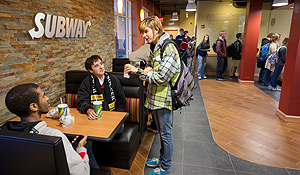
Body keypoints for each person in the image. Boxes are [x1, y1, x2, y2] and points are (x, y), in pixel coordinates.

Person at [124, 16, 180, 175]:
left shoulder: (169, 48)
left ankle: (165, 167)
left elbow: (162, 77)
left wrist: (139, 71)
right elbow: (153, 66)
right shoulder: (156, 46)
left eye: (146, 31)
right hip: (156, 98)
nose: (144, 35)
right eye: (143, 32)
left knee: (166, 134)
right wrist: (148, 69)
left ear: (156, 29)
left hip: (164, 99)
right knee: (163, 133)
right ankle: (163, 160)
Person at [1, 83, 91, 175]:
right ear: (33, 107)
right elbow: (82, 173)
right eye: (43, 96)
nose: (47, 98)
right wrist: (81, 148)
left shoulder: (5, 132)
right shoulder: (54, 136)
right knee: (87, 146)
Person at [77, 55, 126, 120]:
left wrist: (117, 115)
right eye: (96, 66)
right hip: (95, 117)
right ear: (90, 70)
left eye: (101, 64)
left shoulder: (113, 79)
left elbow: (121, 100)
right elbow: (82, 102)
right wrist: (89, 110)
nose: (101, 67)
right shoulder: (86, 82)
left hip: (114, 116)